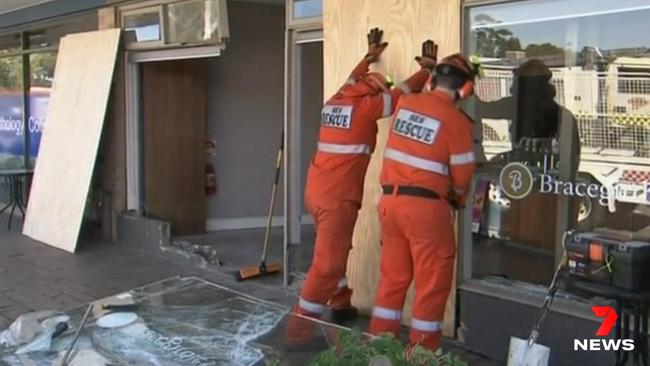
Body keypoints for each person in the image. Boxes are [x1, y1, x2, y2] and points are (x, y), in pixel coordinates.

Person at [285, 28, 438, 347]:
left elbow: (354, 77)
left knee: (334, 247)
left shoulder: (337, 99)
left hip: (316, 192)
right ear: (372, 94)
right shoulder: (365, 109)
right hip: (338, 198)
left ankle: (340, 304)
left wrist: (368, 57)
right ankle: (298, 333)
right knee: (328, 264)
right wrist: (426, 69)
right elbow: (403, 94)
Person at [369, 54, 478, 351]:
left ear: (431, 81)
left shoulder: (406, 104)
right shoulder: (456, 121)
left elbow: (400, 90)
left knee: (392, 280)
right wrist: (459, 198)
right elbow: (463, 175)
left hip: (390, 205)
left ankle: (378, 350)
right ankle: (420, 356)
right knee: (430, 286)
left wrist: (422, 70)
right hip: (427, 211)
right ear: (466, 90)